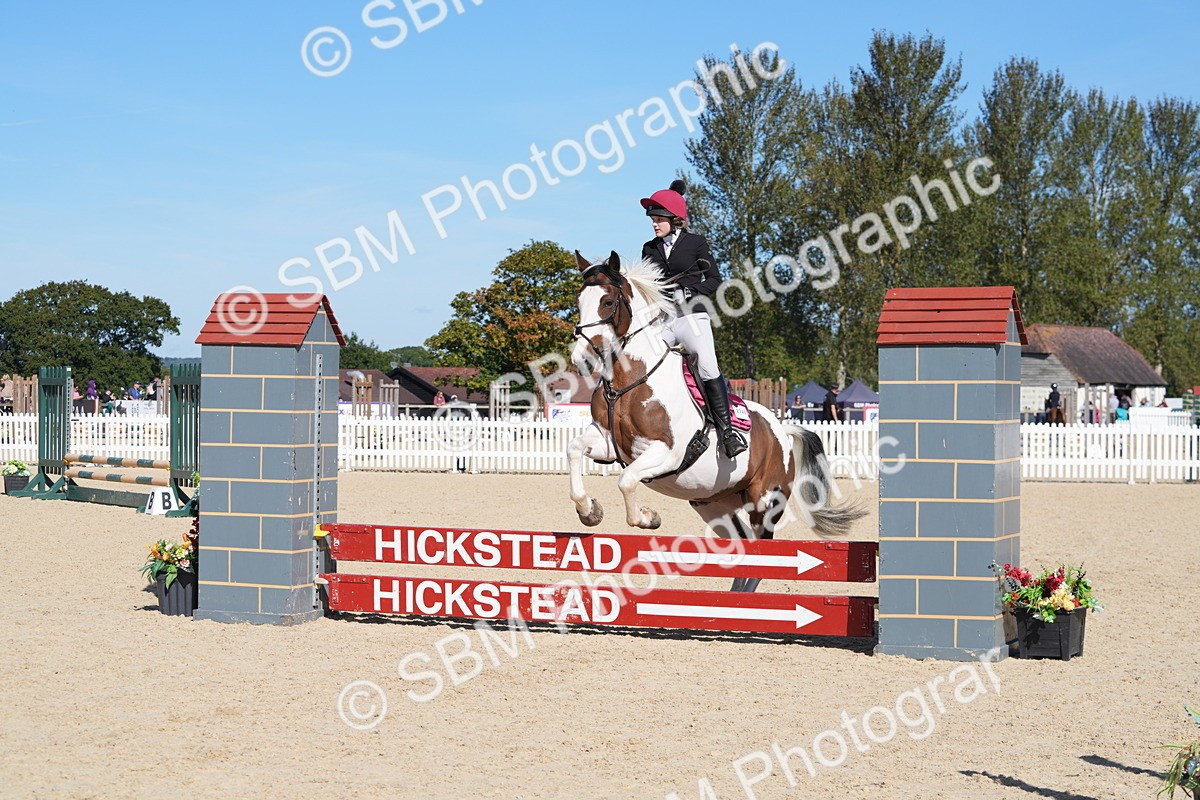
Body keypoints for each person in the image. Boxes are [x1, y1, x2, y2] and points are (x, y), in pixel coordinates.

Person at [639, 179, 746, 458]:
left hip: (691, 316)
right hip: (663, 319)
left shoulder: (696, 243)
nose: (654, 224)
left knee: (708, 366)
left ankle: (727, 432)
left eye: (658, 219)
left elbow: (714, 280)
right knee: (642, 360)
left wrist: (688, 290)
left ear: (674, 220)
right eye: (652, 219)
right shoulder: (648, 248)